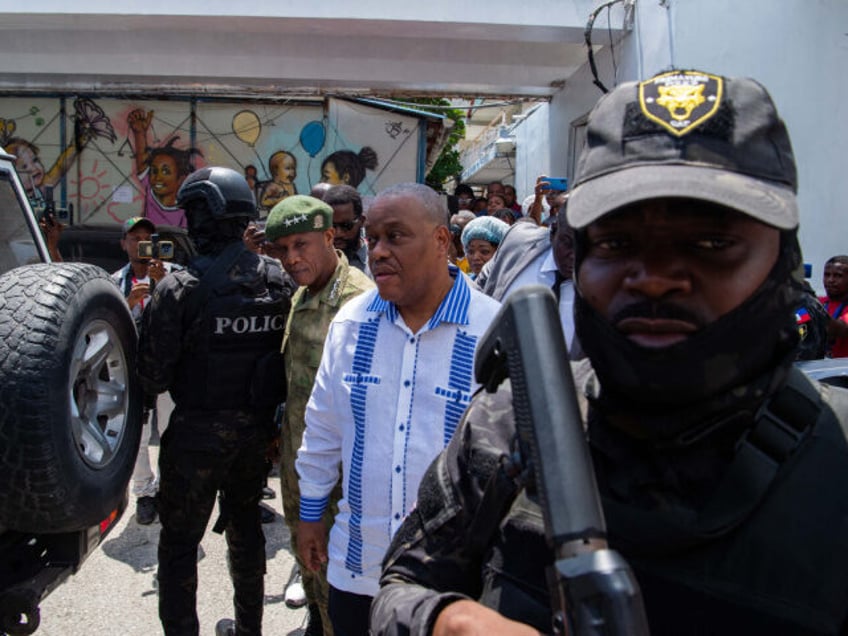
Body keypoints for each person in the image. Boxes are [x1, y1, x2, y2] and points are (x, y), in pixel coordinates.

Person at [372, 70, 848, 635]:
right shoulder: (508, 424)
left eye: (713, 244)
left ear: (783, 260)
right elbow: (402, 585)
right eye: (618, 244)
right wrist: (451, 621)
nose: (654, 279)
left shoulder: (833, 462)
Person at [294, 183, 501, 636]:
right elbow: (324, 426)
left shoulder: (493, 331)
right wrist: (310, 515)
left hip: (450, 586)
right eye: (372, 238)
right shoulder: (350, 324)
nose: (378, 252)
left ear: (442, 240)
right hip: (358, 567)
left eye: (396, 236)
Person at [137, 166, 295, 636]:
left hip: (194, 440)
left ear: (203, 219)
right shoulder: (280, 282)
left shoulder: (180, 288)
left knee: (180, 546)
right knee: (247, 533)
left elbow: (152, 375)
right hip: (255, 437)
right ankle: (250, 629)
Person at [262, 195, 374, 636]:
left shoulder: (359, 303)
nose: (291, 258)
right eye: (282, 249)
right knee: (313, 579)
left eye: (301, 245)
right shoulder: (306, 293)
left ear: (330, 236)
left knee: (340, 596)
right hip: (300, 476)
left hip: (339, 485)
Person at [111, 216, 179, 525]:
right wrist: (127, 303)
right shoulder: (114, 283)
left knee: (170, 431)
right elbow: (107, 328)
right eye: (134, 237)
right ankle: (144, 493)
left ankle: (167, 489)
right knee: (137, 435)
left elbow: (187, 317)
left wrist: (163, 284)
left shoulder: (174, 276)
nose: (142, 243)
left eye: (148, 237)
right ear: (123, 243)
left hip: (167, 368)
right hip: (131, 368)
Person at [475, 202, 577, 351]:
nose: (575, 254)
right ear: (553, 232)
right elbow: (481, 286)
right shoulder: (518, 242)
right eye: (568, 243)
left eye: (586, 245)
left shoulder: (606, 287)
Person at [127, 108, 202, 228]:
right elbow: (141, 159)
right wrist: (139, 133)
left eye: (166, 171)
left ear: (181, 179)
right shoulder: (150, 188)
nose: (158, 177)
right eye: (154, 171)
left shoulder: (185, 209)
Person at [323, 184, 370, 275]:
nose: (338, 234)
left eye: (346, 226)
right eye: (332, 226)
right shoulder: (314, 263)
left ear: (361, 221)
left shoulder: (375, 262)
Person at [820, 255, 848, 357]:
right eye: (827, 275)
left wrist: (814, 310)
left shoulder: (814, 305)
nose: (830, 280)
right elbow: (801, 323)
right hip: (817, 369)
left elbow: (840, 330)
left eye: (838, 276)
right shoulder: (820, 302)